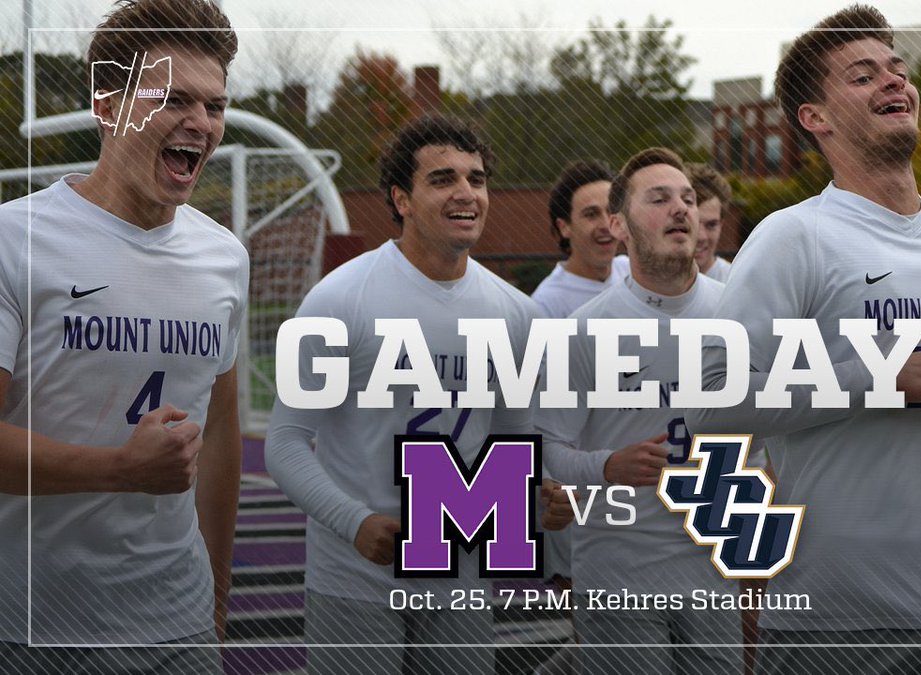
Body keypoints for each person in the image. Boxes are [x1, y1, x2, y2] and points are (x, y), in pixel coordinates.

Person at [686, 5, 921, 673]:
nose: (893, 82)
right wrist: (873, 376)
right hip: (840, 612)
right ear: (815, 119)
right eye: (862, 75)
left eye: (897, 69)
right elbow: (710, 398)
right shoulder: (792, 236)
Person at [0, 0, 244, 669]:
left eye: (215, 106)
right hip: (31, 625)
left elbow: (220, 433)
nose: (201, 122)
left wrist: (216, 599)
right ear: (109, 107)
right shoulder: (14, 239)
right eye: (172, 98)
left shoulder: (225, 256)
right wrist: (120, 470)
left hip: (180, 625)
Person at [265, 115, 539, 675]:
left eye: (477, 178)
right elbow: (286, 442)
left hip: (460, 577)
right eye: (442, 179)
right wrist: (354, 521)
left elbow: (511, 442)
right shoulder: (340, 298)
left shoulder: (516, 313)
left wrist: (538, 494)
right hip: (356, 579)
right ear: (402, 198)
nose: (466, 193)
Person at [536, 147, 742, 674]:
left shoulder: (740, 315)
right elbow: (543, 450)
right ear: (619, 225)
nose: (681, 209)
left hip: (714, 572)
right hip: (618, 577)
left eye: (688, 199)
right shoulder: (583, 329)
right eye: (659, 199)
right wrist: (606, 467)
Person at [531, 160, 630, 319]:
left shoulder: (632, 272)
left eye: (611, 211)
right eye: (591, 214)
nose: (606, 224)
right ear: (564, 227)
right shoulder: (547, 304)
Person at [684, 163, 734, 282]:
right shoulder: (647, 282)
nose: (701, 237)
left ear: (721, 225)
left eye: (711, 225)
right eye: (691, 223)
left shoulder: (735, 282)